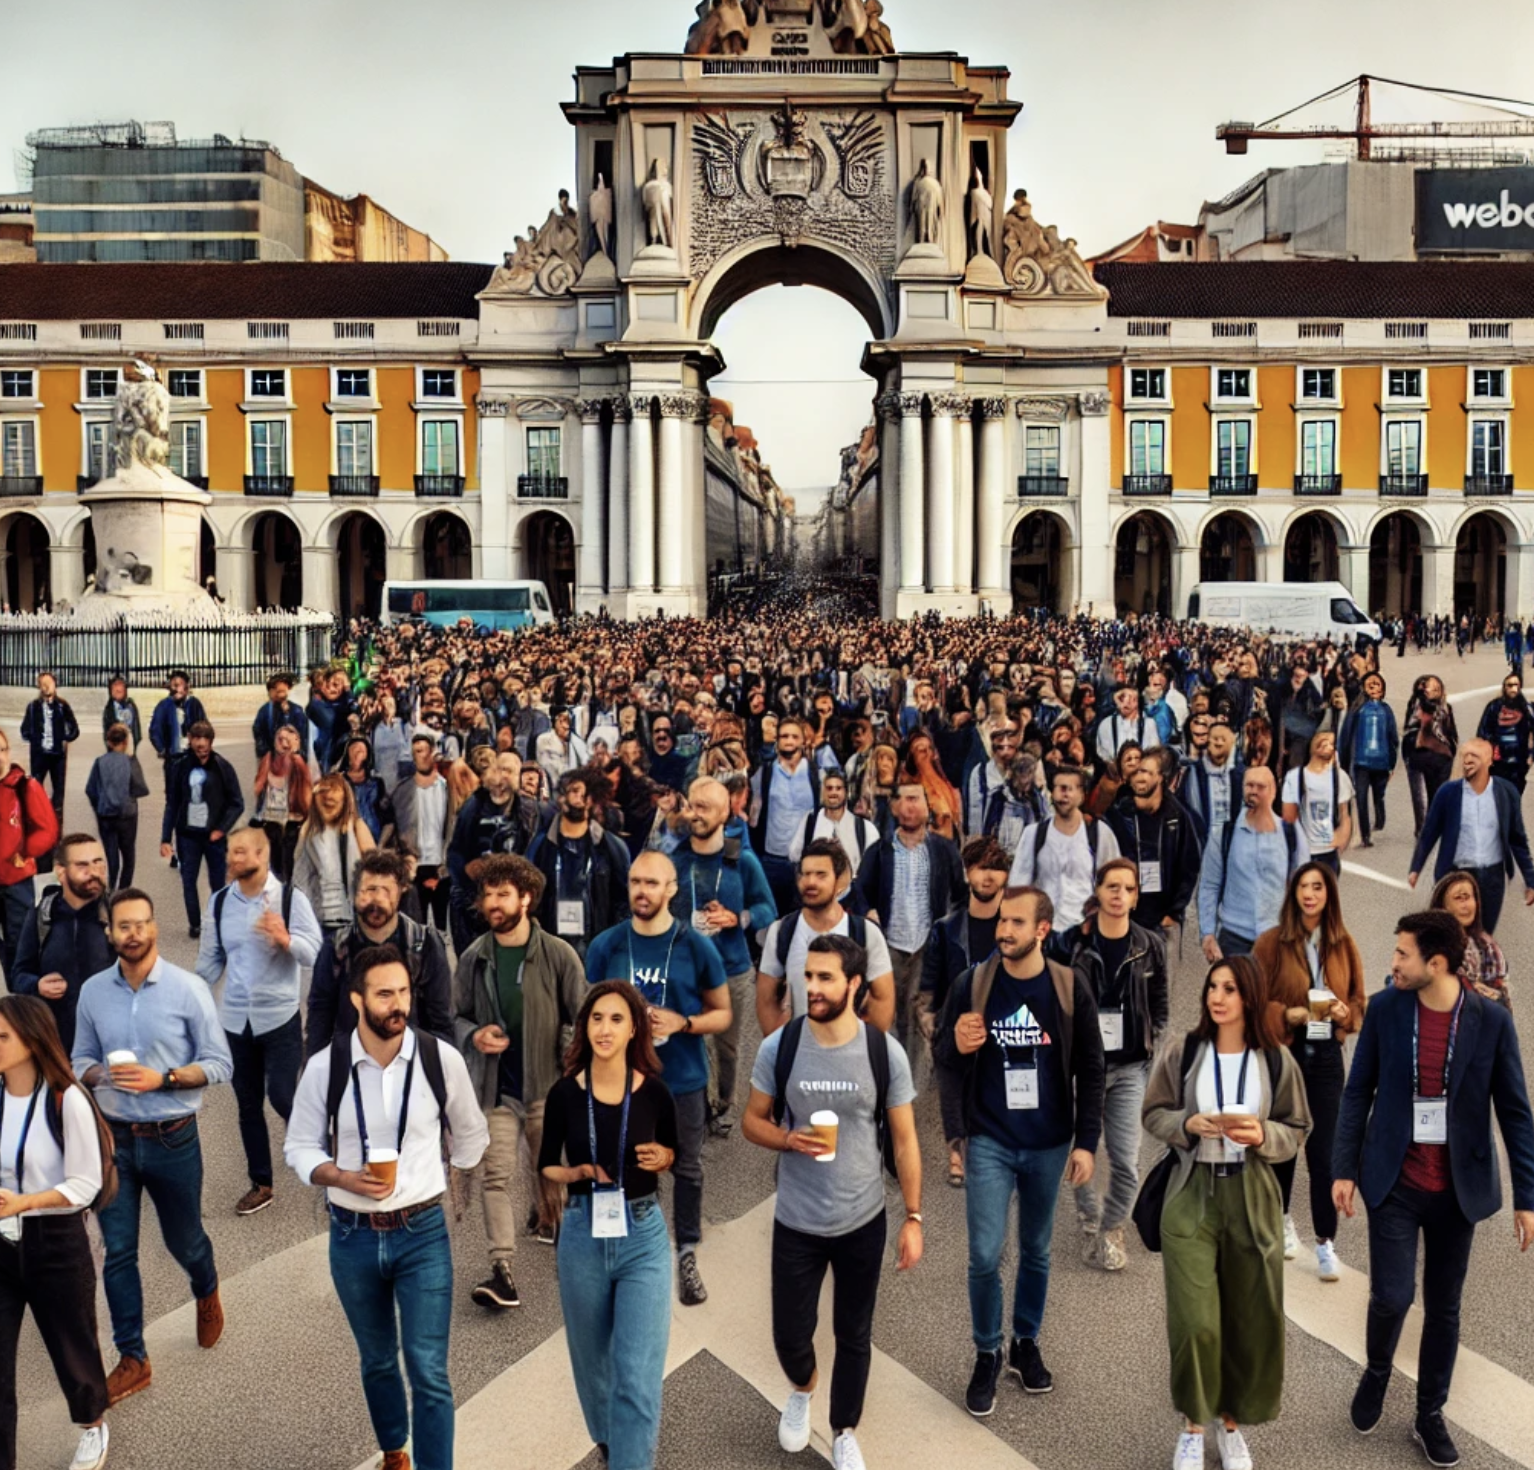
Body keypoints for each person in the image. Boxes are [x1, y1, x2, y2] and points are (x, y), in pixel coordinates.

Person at [1333, 910, 1534, 1468]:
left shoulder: (1491, 1022)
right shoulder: (1387, 1010)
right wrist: (1344, 1168)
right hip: (1394, 1179)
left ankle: (1429, 1413)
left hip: (1457, 1191)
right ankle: (1376, 1372)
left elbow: (1516, 1113)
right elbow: (1357, 1094)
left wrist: (1527, 1198)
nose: (1392, 962)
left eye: (1402, 954)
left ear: (1436, 963)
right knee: (1393, 1296)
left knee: (1445, 1308)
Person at [284, 947, 488, 1470]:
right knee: (377, 1361)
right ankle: (395, 1448)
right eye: (384, 993)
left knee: (429, 1371)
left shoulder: (439, 1059)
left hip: (421, 1232)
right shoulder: (326, 1068)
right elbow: (300, 1146)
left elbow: (470, 1134)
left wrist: (444, 1178)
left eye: (403, 992)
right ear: (357, 1000)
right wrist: (339, 1176)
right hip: (351, 1236)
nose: (398, 1004)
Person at [743, 935, 923, 1470]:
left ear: (855, 985)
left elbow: (906, 1139)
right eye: (809, 976)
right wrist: (786, 1140)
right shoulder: (782, 1046)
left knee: (854, 1333)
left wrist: (913, 1216)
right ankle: (802, 1389)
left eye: (825, 978)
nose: (813, 988)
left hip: (862, 1218)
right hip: (796, 1218)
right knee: (790, 1335)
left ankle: (844, 1429)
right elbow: (754, 1120)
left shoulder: (881, 1052)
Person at [933, 886, 1104, 1416]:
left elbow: (1092, 1069)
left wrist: (1087, 1144)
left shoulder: (1069, 987)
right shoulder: (973, 985)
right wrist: (956, 1051)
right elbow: (943, 1056)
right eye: (1001, 921)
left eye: (1015, 922)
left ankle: (1024, 1342)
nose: (1003, 931)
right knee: (985, 1255)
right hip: (990, 1141)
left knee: (1036, 1250)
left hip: (1050, 1143)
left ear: (1042, 930)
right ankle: (988, 1350)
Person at [1141, 957, 1311, 1470]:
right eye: (1213, 987)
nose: (1217, 997)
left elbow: (1297, 1127)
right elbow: (1154, 1113)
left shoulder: (1276, 1060)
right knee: (1195, 1323)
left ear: (1250, 997)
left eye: (1230, 989)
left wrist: (1264, 1135)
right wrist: (1187, 1124)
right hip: (1192, 1195)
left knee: (1248, 1320)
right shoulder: (1185, 1051)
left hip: (1251, 1197)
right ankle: (1195, 1423)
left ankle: (1229, 1421)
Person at [70, 888, 233, 1405]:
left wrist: (161, 1077)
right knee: (118, 1252)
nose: (133, 934)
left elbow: (219, 1064)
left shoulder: (188, 990)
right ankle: (133, 1358)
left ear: (154, 927)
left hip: (173, 1137)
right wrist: (102, 1076)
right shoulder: (93, 992)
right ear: (110, 932)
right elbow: (78, 1062)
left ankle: (205, 1288)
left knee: (185, 1242)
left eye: (141, 924)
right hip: (114, 1140)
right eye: (123, 926)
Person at [539, 981, 678, 1470]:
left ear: (634, 1028)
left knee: (636, 1376)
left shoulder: (656, 1093)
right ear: (584, 1026)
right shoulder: (563, 1094)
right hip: (581, 1235)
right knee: (595, 1371)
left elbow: (673, 1152)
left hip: (642, 1236)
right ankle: (613, 1447)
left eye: (617, 1019)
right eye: (596, 1018)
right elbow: (546, 1166)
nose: (605, 1028)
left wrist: (664, 1156)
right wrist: (573, 1173)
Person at [585, 852, 731, 1308]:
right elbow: (589, 1014)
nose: (641, 891)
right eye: (635, 882)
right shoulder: (607, 944)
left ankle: (687, 1251)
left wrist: (683, 1023)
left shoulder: (694, 945)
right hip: (622, 1081)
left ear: (671, 890)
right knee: (619, 1164)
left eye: (652, 883)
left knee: (686, 1166)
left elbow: (723, 1014)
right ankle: (616, 1257)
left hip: (683, 1079)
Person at [455, 854, 587, 1293]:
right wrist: (474, 1034)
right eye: (487, 895)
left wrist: (569, 1055)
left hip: (547, 1086)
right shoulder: (474, 957)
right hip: (496, 1090)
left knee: (549, 1171)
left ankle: (562, 1239)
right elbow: (453, 1017)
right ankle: (502, 1270)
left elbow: (582, 1016)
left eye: (503, 895)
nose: (493, 903)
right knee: (496, 1176)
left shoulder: (558, 954)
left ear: (525, 899)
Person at [0, 994, 110, 1470]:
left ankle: (92, 1425)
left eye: (2, 1036)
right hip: (1, 1242)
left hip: (56, 1243)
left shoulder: (66, 1100)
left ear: (32, 1038)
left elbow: (86, 1184)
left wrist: (26, 1202)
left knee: (73, 1344)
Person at [195, 826, 323, 1216]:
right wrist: (187, 998)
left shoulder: (290, 900)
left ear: (261, 855)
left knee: (284, 1097)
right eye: (230, 853)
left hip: (279, 1017)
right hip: (235, 1021)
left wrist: (287, 940)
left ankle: (325, 1160)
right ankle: (262, 1183)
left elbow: (313, 951)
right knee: (247, 1105)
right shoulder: (219, 903)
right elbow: (210, 962)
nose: (231, 859)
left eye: (239, 852)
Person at [1253, 862, 1366, 1278]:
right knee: (1284, 1144)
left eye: (1317, 887)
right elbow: (1254, 1002)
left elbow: (1358, 1001)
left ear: (1328, 894)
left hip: (1327, 1056)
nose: (1310, 894)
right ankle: (1282, 1220)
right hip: (1287, 1052)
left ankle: (1325, 1242)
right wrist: (1290, 1013)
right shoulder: (1272, 943)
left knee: (1324, 1152)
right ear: (1293, 893)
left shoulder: (1342, 943)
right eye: (1302, 886)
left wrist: (1343, 1014)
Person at [1070, 858, 1167, 1272]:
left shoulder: (1150, 946)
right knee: (1082, 1152)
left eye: (1128, 889)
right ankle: (1091, 1218)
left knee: (1126, 1158)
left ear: (1135, 896)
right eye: (1112, 887)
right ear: (1099, 891)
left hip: (1129, 1067)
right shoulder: (1073, 945)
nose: (1119, 896)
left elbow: (1161, 1007)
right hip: (1082, 1068)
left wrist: (1153, 1046)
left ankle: (1112, 1227)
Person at [666, 776, 775, 1139]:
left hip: (731, 969)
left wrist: (738, 918)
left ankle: (724, 1104)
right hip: (686, 968)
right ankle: (696, 1108)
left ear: (725, 813)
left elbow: (767, 908)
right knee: (688, 1040)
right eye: (692, 806)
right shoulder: (675, 857)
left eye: (705, 808)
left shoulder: (741, 860)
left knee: (726, 1049)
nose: (696, 815)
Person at [921, 837, 1010, 1188]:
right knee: (952, 1081)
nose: (987, 877)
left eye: (995, 868)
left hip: (1001, 1026)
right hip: (954, 1025)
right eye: (979, 867)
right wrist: (933, 1024)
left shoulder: (1015, 926)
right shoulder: (946, 928)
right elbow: (929, 984)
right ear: (967, 873)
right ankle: (956, 1151)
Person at [306, 849, 455, 1056]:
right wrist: (317, 1072)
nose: (376, 901)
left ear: (401, 891)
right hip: (351, 1065)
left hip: (409, 1064)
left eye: (386, 891)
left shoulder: (424, 944)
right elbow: (319, 1017)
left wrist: (438, 1073)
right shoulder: (337, 948)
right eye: (370, 890)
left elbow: (441, 1020)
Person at [853, 781, 966, 1048]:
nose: (910, 806)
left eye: (916, 799)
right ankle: (888, 1070)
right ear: (893, 807)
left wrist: (950, 928)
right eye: (903, 799)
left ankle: (911, 1081)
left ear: (927, 806)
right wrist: (868, 911)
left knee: (918, 1013)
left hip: (927, 945)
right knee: (888, 1009)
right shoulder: (880, 851)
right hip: (890, 943)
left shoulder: (943, 849)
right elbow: (859, 890)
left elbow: (961, 894)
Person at [757, 841, 897, 1037]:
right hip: (800, 1053)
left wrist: (864, 1049)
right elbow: (766, 999)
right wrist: (780, 1049)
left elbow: (882, 999)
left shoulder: (866, 934)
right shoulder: (781, 932)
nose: (810, 882)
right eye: (805, 874)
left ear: (839, 882)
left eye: (821, 875)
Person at [1409, 736, 1534, 936]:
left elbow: (1517, 839)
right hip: (1456, 874)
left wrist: (1530, 880)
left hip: (1492, 877)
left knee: (1484, 936)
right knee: (1456, 935)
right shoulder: (1448, 793)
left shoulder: (1506, 793)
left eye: (1474, 756)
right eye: (1465, 756)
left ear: (1489, 760)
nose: (1467, 760)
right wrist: (1416, 867)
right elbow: (1429, 832)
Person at [10, 835, 113, 1056]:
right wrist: (37, 985)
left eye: (98, 862)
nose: (94, 872)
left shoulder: (116, 915)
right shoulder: (42, 916)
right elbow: (18, 974)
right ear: (61, 871)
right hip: (55, 1048)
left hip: (106, 1047)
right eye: (82, 865)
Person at [1007, 766, 1121, 962]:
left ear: (1082, 795)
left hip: (1085, 936)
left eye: (1069, 788)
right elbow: (1018, 888)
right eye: (1059, 788)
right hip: (1044, 937)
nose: (1063, 794)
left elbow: (1115, 885)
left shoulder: (1099, 834)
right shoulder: (1034, 834)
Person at [525, 767, 631, 957]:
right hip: (551, 947)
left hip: (595, 947)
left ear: (591, 800)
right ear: (561, 798)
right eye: (573, 791)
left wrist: (613, 942)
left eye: (584, 792)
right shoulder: (541, 846)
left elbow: (623, 900)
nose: (578, 797)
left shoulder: (611, 847)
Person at [1199, 766, 1302, 961]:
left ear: (1273, 792)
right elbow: (1209, 885)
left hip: (1278, 938)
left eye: (1260, 786)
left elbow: (1304, 885)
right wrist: (1208, 934)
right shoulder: (1224, 834)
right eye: (1249, 785)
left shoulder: (1291, 834)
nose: (1253, 791)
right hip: (1234, 939)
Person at [447, 750, 541, 955]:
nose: (503, 776)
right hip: (476, 900)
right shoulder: (473, 806)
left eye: (509, 771)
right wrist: (467, 874)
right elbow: (454, 853)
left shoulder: (530, 810)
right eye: (500, 769)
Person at [159, 721, 244, 940]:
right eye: (196, 739)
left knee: (217, 883)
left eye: (205, 739)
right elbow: (173, 803)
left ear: (211, 742)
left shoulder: (222, 767)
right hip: (188, 836)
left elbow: (237, 803)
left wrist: (222, 829)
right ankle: (195, 923)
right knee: (189, 880)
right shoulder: (180, 767)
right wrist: (166, 837)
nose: (201, 744)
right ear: (190, 740)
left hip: (213, 836)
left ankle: (218, 921)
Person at [1103, 748, 1201, 935]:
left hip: (1161, 920)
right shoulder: (1118, 814)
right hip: (1125, 914)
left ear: (1160, 777)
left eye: (1146, 772)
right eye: (1137, 771)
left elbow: (1189, 865)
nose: (1140, 776)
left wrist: (1175, 912)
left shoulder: (1177, 816)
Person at [0, 729, 60, 985]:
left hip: (16, 881)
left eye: (2, 750)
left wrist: (24, 852)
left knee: (19, 942)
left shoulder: (25, 786)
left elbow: (48, 830)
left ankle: (18, 1004)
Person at [750, 715, 821, 915]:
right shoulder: (765, 772)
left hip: (804, 861)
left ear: (802, 740)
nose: (789, 741)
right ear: (777, 740)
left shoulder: (816, 773)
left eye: (794, 736)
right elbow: (753, 813)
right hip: (771, 860)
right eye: (784, 736)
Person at [293, 773, 377, 943]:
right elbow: (299, 874)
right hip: (319, 919)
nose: (328, 796)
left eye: (335, 791)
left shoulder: (356, 828)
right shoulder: (310, 834)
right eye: (323, 792)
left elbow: (375, 870)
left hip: (351, 918)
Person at [392, 733, 453, 932]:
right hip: (414, 868)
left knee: (443, 929)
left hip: (442, 865)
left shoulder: (447, 788)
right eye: (418, 751)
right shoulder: (402, 791)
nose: (423, 755)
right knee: (415, 928)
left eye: (426, 750)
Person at [1431, 869, 1511, 1009]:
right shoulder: (1430, 944)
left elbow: (1501, 996)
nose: (1465, 906)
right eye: (1458, 898)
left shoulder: (1488, 947)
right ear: (1443, 907)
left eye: (1468, 897)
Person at [85, 723, 149, 890]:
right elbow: (140, 788)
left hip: (106, 815)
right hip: (127, 816)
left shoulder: (99, 762)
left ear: (108, 742)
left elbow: (90, 789)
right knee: (128, 856)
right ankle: (123, 890)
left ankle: (110, 889)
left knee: (112, 857)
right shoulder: (130, 762)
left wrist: (98, 806)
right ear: (126, 742)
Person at [1280, 730, 1353, 876]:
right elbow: (1288, 817)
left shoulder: (1340, 777)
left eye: (1332, 744)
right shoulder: (1295, 777)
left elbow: (1345, 813)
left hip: (1328, 853)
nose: (1328, 746)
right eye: (1323, 741)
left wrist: (1342, 836)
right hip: (1302, 852)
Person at [1339, 672, 1398, 848]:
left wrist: (1392, 763)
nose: (1373, 686)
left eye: (1377, 684)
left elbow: (1393, 736)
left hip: (1381, 761)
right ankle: (1365, 834)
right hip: (1361, 761)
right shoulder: (1357, 709)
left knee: (1379, 793)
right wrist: (1344, 759)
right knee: (1361, 797)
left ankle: (1380, 819)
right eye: (1369, 684)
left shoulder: (1386, 710)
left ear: (1383, 689)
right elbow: (1346, 735)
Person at [787, 769, 879, 880]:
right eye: (829, 788)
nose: (833, 793)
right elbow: (794, 855)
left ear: (846, 792)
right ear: (823, 792)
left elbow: (873, 867)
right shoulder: (810, 822)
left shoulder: (865, 828)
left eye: (838, 788)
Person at [20, 671, 79, 842]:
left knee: (58, 793)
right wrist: (32, 737)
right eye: (42, 683)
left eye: (49, 683)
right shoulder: (33, 707)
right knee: (35, 790)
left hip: (57, 755)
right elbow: (24, 729)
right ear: (39, 686)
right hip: (39, 755)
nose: (46, 687)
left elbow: (74, 728)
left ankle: (55, 830)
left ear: (55, 685)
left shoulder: (62, 706)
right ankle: (38, 825)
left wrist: (64, 739)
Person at [253, 722, 311, 884]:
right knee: (275, 860)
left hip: (293, 818)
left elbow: (306, 791)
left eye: (289, 740)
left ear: (297, 742)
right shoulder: (269, 759)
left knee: (289, 859)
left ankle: (288, 894)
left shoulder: (299, 762)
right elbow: (258, 787)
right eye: (281, 739)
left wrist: (306, 816)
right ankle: (279, 893)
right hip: (272, 818)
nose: (284, 743)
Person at [1179, 718, 1242, 850]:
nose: (1218, 742)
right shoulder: (1192, 773)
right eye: (1215, 738)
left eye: (1223, 739)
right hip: (1202, 846)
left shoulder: (1240, 776)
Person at [147, 670, 206, 803]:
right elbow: (154, 730)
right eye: (172, 685)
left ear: (187, 687)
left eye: (178, 685)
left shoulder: (194, 704)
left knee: (194, 796)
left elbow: (204, 728)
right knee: (173, 799)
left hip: (192, 758)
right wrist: (162, 750)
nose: (175, 689)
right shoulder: (164, 706)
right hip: (173, 759)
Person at [1475, 671, 1534, 796]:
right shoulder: (1494, 707)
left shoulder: (1527, 709)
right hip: (1498, 762)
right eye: (1510, 685)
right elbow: (1482, 731)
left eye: (1516, 685)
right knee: (1499, 797)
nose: (1513, 689)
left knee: (1514, 797)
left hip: (1519, 762)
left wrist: (1531, 755)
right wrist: (1491, 748)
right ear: (1504, 687)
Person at [965, 721, 1021, 839]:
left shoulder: (1026, 771)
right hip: (990, 845)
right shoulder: (980, 773)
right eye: (1000, 735)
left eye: (1010, 735)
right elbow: (975, 815)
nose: (1005, 741)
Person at [1095, 684, 1163, 764]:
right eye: (1122, 698)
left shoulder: (1149, 724)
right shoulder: (1106, 724)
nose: (1126, 702)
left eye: (1132, 699)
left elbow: (1153, 751)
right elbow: (1104, 754)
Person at [252, 672, 309, 763]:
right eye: (277, 691)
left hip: (292, 756)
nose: (280, 695)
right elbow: (258, 731)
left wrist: (301, 753)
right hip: (272, 756)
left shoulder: (296, 710)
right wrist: (264, 751)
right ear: (270, 692)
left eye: (283, 691)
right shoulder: (265, 711)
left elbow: (303, 732)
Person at [100, 675, 143, 753]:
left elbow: (137, 729)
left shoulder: (131, 706)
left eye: (120, 686)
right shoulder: (109, 709)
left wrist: (134, 743)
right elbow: (107, 732)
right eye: (115, 687)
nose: (118, 690)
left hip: (130, 749)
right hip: (115, 750)